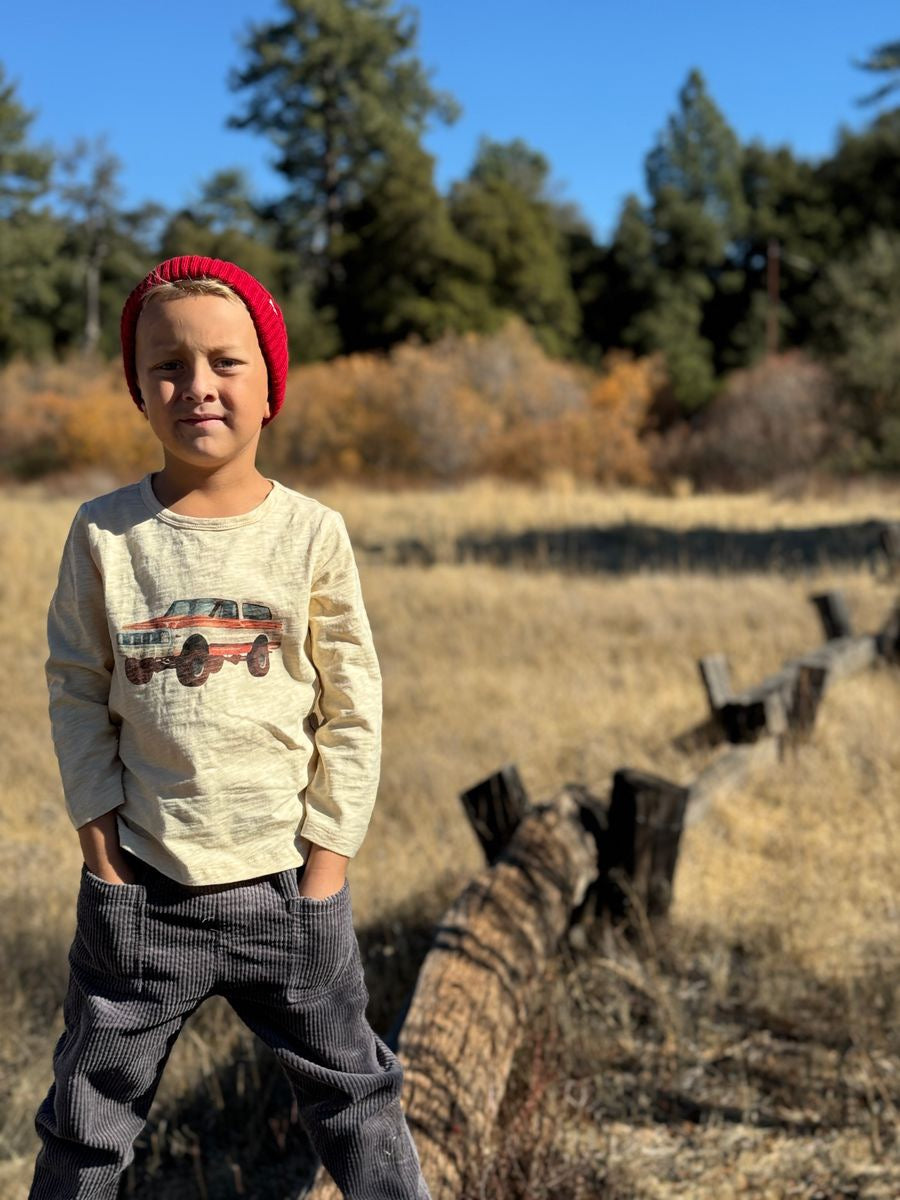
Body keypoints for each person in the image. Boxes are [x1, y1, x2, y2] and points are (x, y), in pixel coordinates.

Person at [29, 256, 430, 1199]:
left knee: (360, 1109)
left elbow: (352, 706)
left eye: (226, 363)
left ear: (270, 387)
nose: (197, 386)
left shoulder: (311, 534)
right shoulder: (103, 533)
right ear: (139, 389)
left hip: (290, 892)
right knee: (87, 1126)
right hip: (141, 893)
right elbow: (77, 691)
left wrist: (326, 871)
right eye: (167, 365)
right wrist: (103, 857)